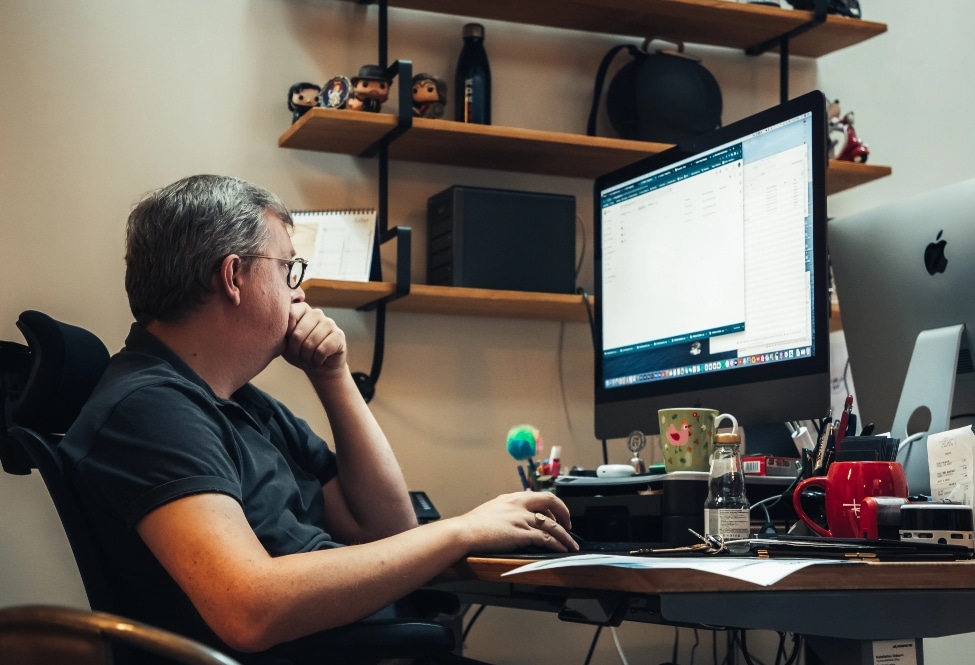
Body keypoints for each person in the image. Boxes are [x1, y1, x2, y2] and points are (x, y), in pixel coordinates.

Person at [60, 174, 578, 664]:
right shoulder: (150, 410)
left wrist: (333, 375)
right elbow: (250, 609)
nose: (299, 292)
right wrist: (461, 532)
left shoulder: (244, 405)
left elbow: (388, 531)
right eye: (288, 269)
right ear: (233, 276)